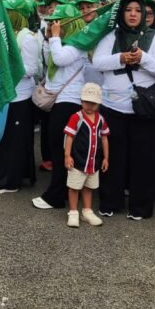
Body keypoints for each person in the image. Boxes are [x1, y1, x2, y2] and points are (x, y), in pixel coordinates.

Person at [91, 0, 155, 220]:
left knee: (144, 160)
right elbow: (98, 62)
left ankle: (140, 207)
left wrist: (143, 58)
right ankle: (110, 202)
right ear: (122, 13)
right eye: (129, 10)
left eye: (138, 10)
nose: (134, 14)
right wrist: (121, 58)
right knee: (112, 158)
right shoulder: (111, 36)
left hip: (145, 110)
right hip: (113, 107)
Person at [32, 4, 88, 211]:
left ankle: (56, 195)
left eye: (58, 21)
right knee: (57, 147)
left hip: (69, 102)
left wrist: (54, 38)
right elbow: (49, 59)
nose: (54, 25)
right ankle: (61, 191)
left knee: (61, 148)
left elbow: (60, 58)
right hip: (58, 99)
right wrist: (49, 38)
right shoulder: (62, 42)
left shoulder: (78, 43)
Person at [0, 0, 41, 194]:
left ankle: (10, 181)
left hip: (19, 96)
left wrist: (9, 66)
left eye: (8, 13)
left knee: (14, 140)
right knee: (4, 138)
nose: (4, 17)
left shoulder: (27, 38)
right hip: (0, 92)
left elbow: (32, 69)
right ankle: (13, 176)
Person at [63, 82, 109, 228]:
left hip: (94, 162)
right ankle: (73, 211)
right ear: (81, 101)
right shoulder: (76, 117)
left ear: (98, 104)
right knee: (74, 187)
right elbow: (69, 137)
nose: (89, 106)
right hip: (78, 160)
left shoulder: (101, 119)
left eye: (93, 103)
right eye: (86, 102)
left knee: (88, 187)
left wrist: (106, 157)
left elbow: (104, 138)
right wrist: (67, 155)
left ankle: (87, 211)